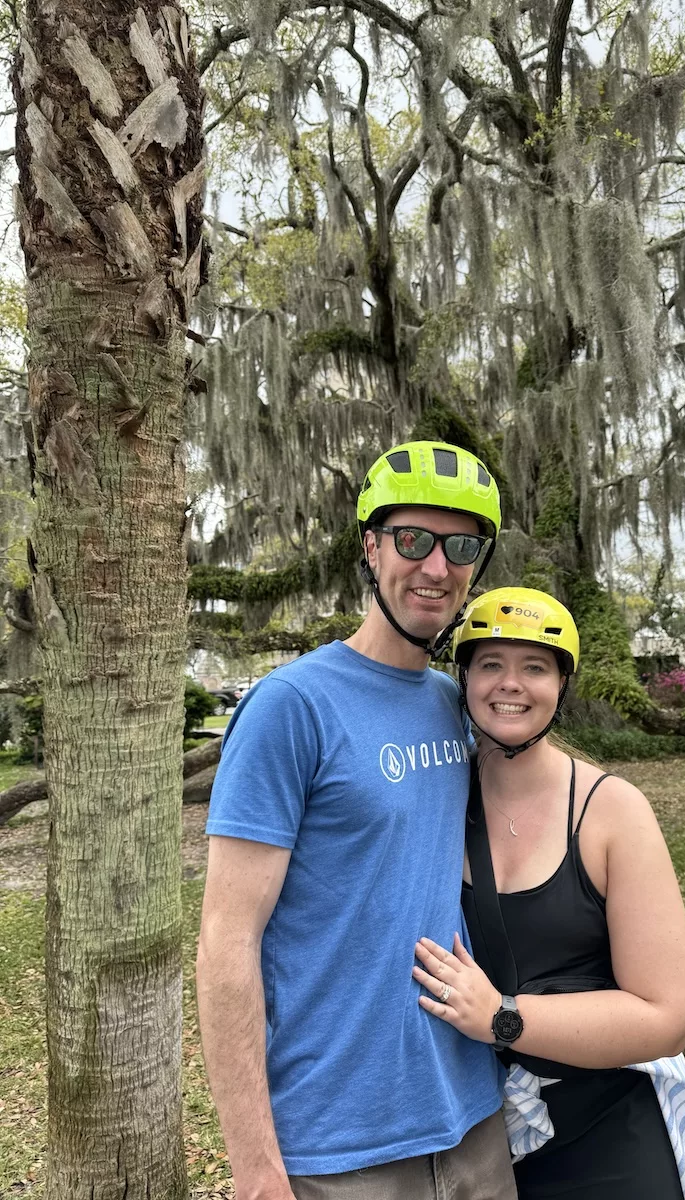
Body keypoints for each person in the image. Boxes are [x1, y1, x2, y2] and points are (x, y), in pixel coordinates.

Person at [196, 442, 517, 1200]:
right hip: (339, 1146)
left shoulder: (455, 702)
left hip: (472, 1118)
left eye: (461, 546)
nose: (436, 567)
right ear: (370, 548)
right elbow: (225, 939)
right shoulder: (291, 707)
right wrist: (255, 1168)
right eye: (413, 540)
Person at [413, 587, 685, 1200]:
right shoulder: (436, 798)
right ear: (464, 679)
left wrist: (500, 1018)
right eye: (490, 664)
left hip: (608, 1125)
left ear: (561, 686)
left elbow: (668, 1016)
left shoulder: (611, 812)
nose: (511, 684)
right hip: (479, 1140)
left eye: (534, 666)